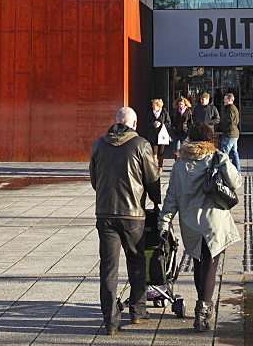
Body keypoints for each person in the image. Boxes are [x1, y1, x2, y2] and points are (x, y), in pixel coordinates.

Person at [158, 122, 241, 332]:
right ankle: (202, 314)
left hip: (190, 223)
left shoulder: (179, 164)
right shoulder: (216, 157)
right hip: (214, 222)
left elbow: (171, 197)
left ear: (190, 139)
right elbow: (236, 182)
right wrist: (223, 160)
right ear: (210, 139)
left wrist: (164, 223)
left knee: (198, 263)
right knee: (211, 266)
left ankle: (201, 306)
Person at [89, 106, 161, 335]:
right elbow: (152, 179)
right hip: (133, 215)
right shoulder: (140, 144)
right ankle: (138, 313)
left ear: (116, 121)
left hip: (106, 214)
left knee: (108, 267)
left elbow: (94, 178)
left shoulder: (99, 144)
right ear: (135, 122)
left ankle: (110, 322)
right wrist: (156, 201)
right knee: (137, 262)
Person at [145, 97, 172, 171]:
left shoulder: (164, 112)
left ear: (158, 106)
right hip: (153, 135)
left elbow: (168, 122)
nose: (153, 106)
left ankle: (160, 166)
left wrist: (161, 124)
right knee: (154, 152)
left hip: (162, 135)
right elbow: (147, 123)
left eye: (154, 105)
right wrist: (153, 124)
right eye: (152, 105)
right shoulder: (150, 113)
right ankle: (154, 166)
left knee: (161, 152)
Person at [219, 93, 240, 173]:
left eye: (225, 99)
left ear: (230, 100)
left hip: (230, 134)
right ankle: (237, 171)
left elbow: (229, 121)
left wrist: (224, 128)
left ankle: (224, 172)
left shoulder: (230, 109)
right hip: (234, 133)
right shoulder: (232, 108)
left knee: (224, 153)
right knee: (234, 153)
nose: (224, 100)